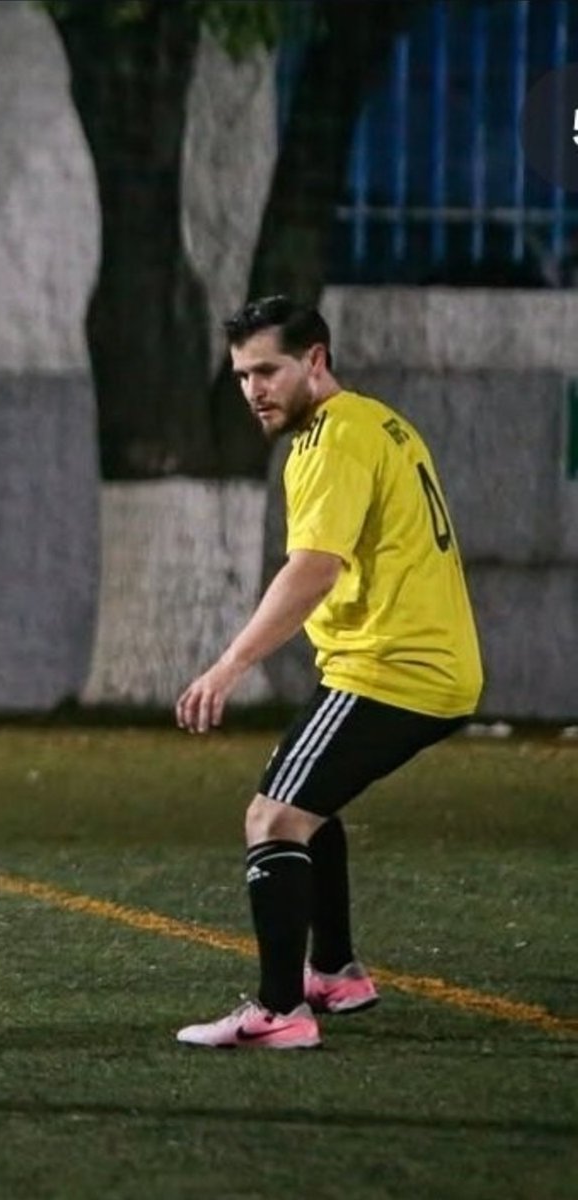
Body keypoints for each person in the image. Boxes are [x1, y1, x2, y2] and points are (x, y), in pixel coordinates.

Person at [173, 296, 482, 1050]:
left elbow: (312, 569)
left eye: (269, 370)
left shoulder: (330, 444)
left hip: (391, 671)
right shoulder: (376, 421)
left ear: (316, 359)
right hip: (418, 664)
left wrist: (229, 665)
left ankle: (280, 1012)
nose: (254, 390)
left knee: (271, 820)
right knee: (309, 807)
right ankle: (336, 972)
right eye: (243, 375)